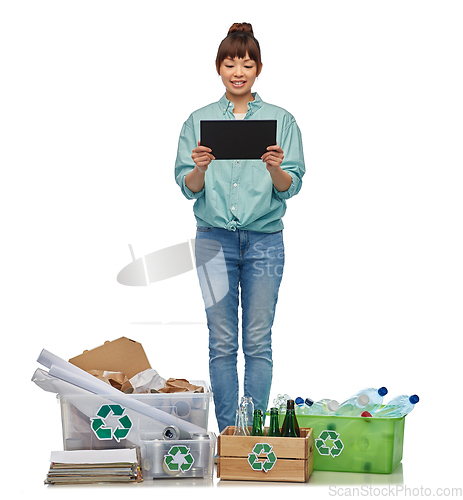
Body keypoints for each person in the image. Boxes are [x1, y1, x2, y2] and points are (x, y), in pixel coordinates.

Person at [174, 22, 305, 432]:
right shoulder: (198, 121)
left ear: (258, 69)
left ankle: (256, 433)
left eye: (246, 64)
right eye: (230, 63)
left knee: (257, 342)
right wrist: (198, 168)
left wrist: (275, 168)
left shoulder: (281, 121)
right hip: (214, 240)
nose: (238, 71)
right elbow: (188, 189)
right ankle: (231, 434)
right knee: (222, 342)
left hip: (265, 241)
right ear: (219, 67)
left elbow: (291, 186)